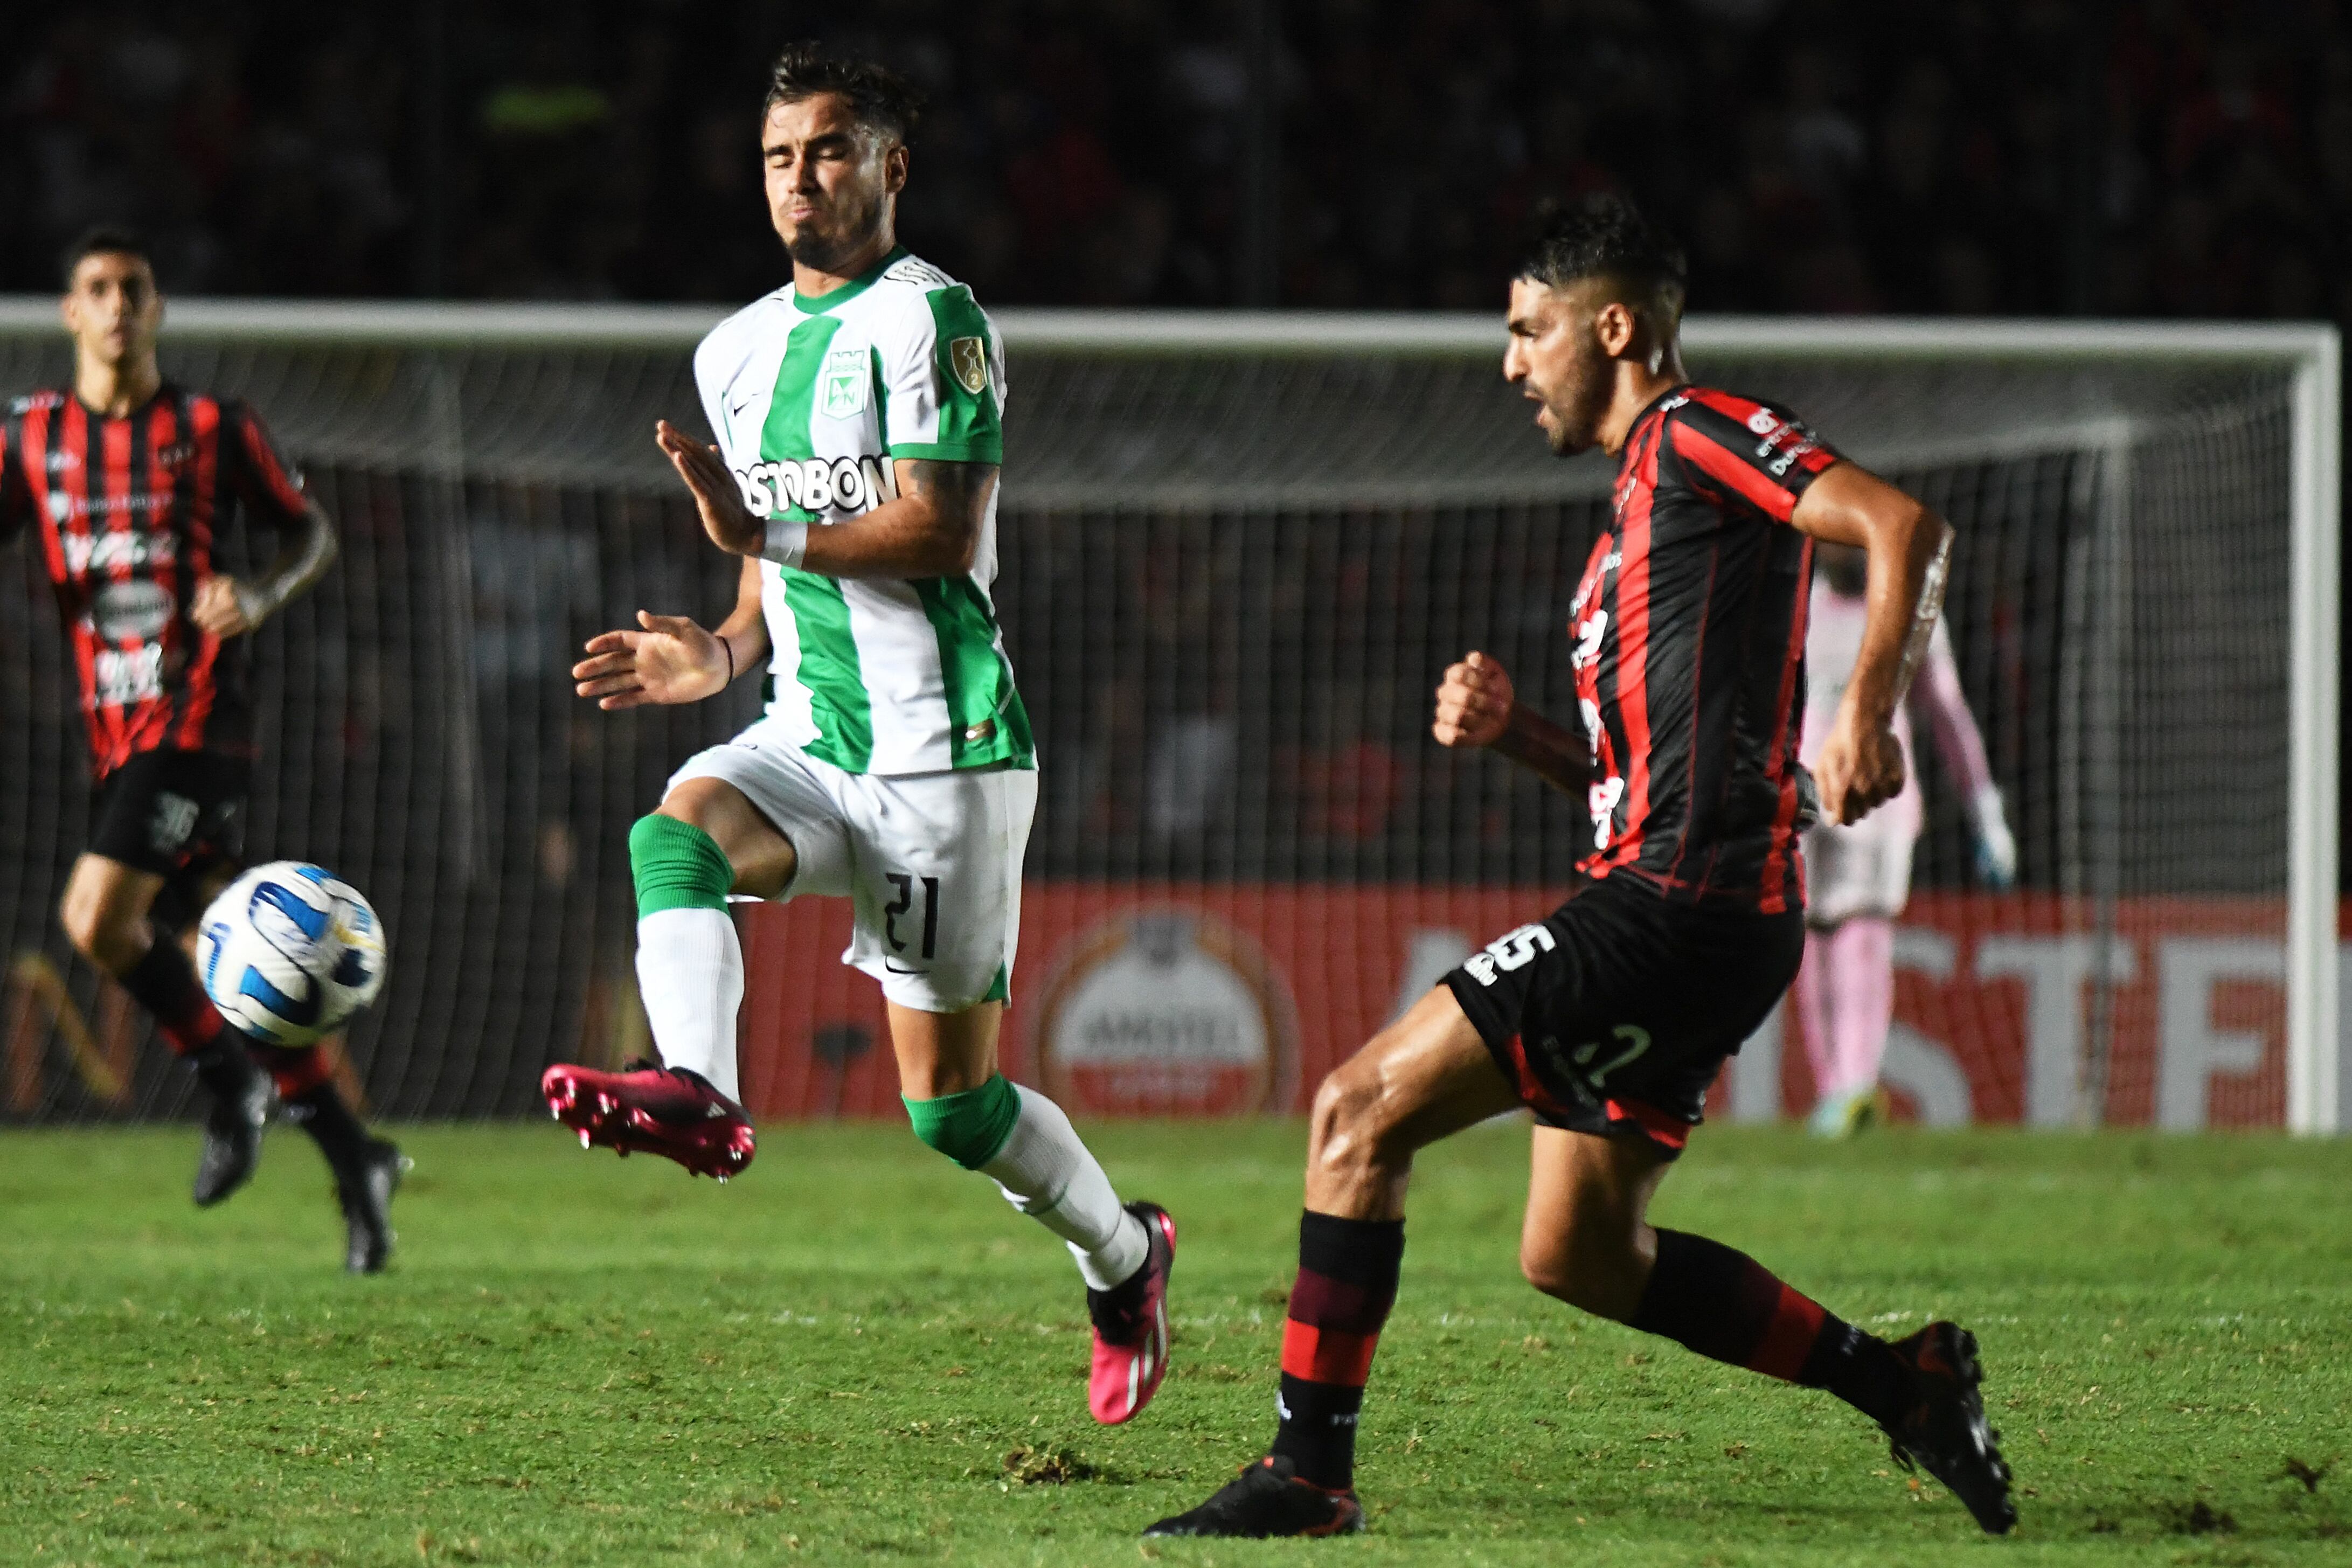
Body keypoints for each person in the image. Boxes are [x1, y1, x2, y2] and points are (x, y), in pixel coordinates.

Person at [1142, 196, 2015, 1539]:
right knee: (1577, 1250)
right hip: (1698, 900)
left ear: (1611, 327)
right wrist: (1523, 740)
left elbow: (1900, 524)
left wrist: (1867, 709)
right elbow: (1643, 774)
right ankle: (1902, 1383)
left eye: (1527, 328)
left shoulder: (1695, 430)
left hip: (1675, 903)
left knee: (1352, 1111)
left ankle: (1305, 1470)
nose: (1510, 361)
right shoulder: (1634, 509)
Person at [539, 45, 1177, 1426]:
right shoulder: (732, 352)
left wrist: (754, 530)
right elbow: (770, 587)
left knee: (950, 1108)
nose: (800, 177)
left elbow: (938, 527)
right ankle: (699, 1087)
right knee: (675, 830)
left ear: (892, 165)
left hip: (944, 753)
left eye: (829, 149)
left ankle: (1124, 1258)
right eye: (779, 155)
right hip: (808, 733)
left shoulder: (933, 316)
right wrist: (715, 646)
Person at [0, 227, 405, 1273]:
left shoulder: (213, 427)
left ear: (157, 308)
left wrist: (257, 593)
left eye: (135, 287)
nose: (119, 305)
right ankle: (355, 1159)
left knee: (95, 918)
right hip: (112, 731)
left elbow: (307, 532)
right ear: (71, 313)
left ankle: (228, 1085)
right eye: (98, 289)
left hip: (198, 723)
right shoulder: (32, 439)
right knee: (228, 962)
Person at [1798, 543, 2015, 1136]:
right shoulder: (1799, 608)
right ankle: (1832, 1091)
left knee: (1866, 933)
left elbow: (1948, 712)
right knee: (1809, 938)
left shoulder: (1910, 611)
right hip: (1804, 801)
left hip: (1881, 799)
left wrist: (1985, 810)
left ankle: (1855, 1086)